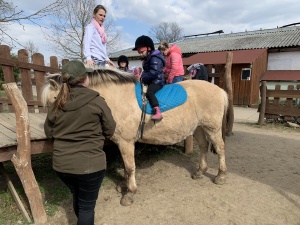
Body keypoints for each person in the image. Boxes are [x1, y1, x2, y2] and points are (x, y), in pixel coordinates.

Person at [44, 60, 116, 225]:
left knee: (78, 197)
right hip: (90, 165)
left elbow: (49, 132)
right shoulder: (97, 101)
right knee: (86, 208)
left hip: (62, 166)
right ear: (86, 78)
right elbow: (110, 129)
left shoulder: (57, 104)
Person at [132, 35, 165, 120]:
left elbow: (154, 72)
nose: (140, 54)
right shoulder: (148, 58)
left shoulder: (154, 58)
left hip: (157, 81)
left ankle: (157, 111)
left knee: (149, 92)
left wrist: (143, 78)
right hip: (152, 80)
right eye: (139, 52)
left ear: (148, 49)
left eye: (142, 52)